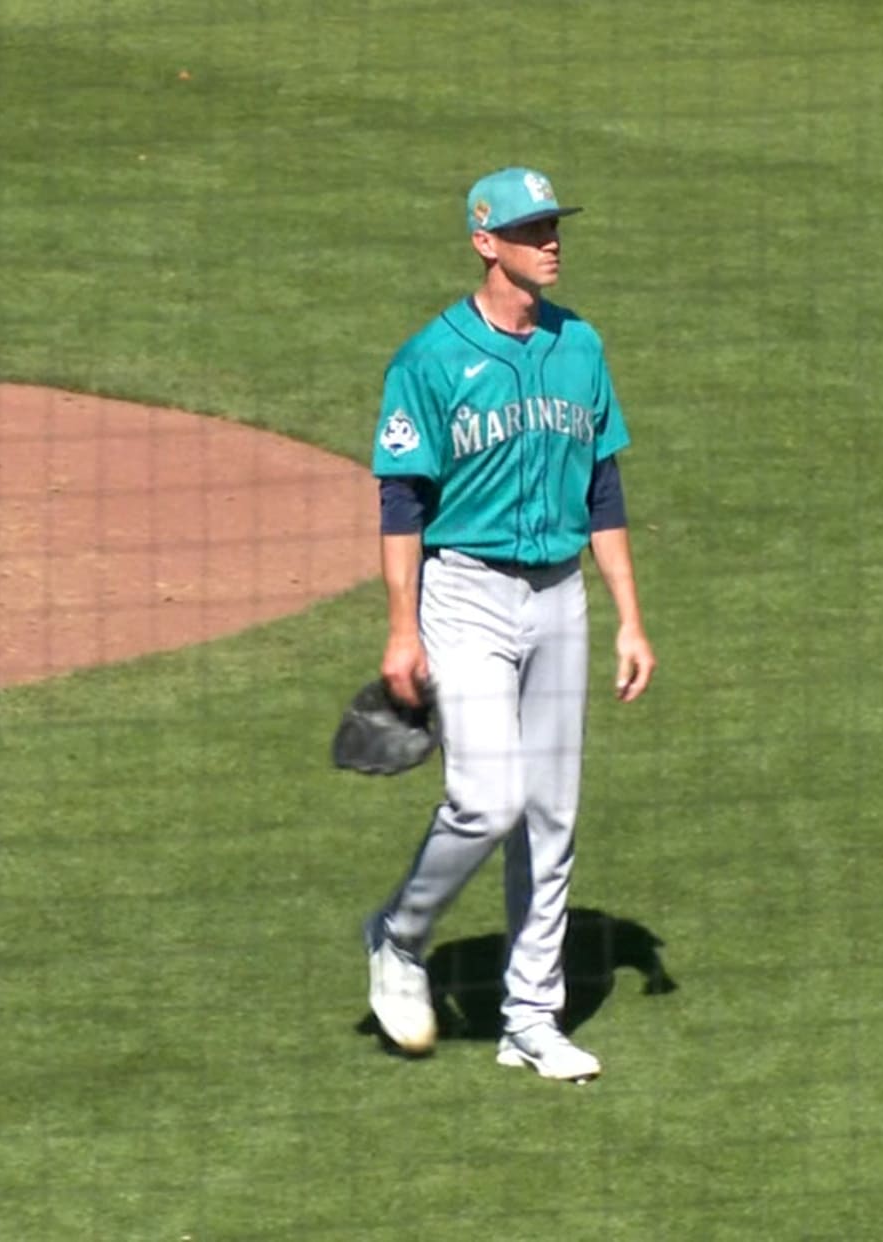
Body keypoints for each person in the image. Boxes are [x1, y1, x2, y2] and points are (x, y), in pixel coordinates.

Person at [360, 166, 655, 1083]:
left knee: (552, 815)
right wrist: (402, 631)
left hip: (560, 594)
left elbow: (604, 488)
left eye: (555, 225)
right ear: (485, 241)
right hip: (467, 594)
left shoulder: (582, 347)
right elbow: (402, 501)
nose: (551, 241)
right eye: (531, 230)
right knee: (487, 800)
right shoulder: (431, 358)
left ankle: (532, 1018)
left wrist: (629, 621)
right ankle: (399, 939)